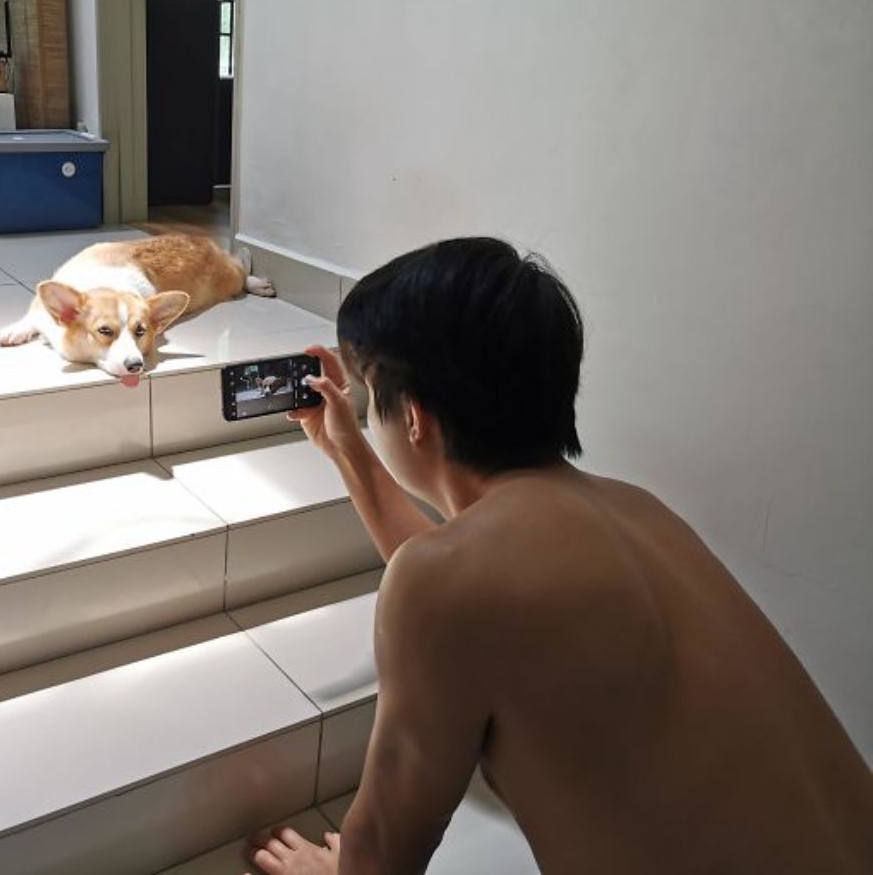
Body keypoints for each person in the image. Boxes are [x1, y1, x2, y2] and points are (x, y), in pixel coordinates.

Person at [246, 238, 873, 874]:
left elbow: (379, 861)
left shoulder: (452, 580)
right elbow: (466, 595)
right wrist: (350, 453)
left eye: (365, 391)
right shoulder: (639, 509)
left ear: (412, 415)